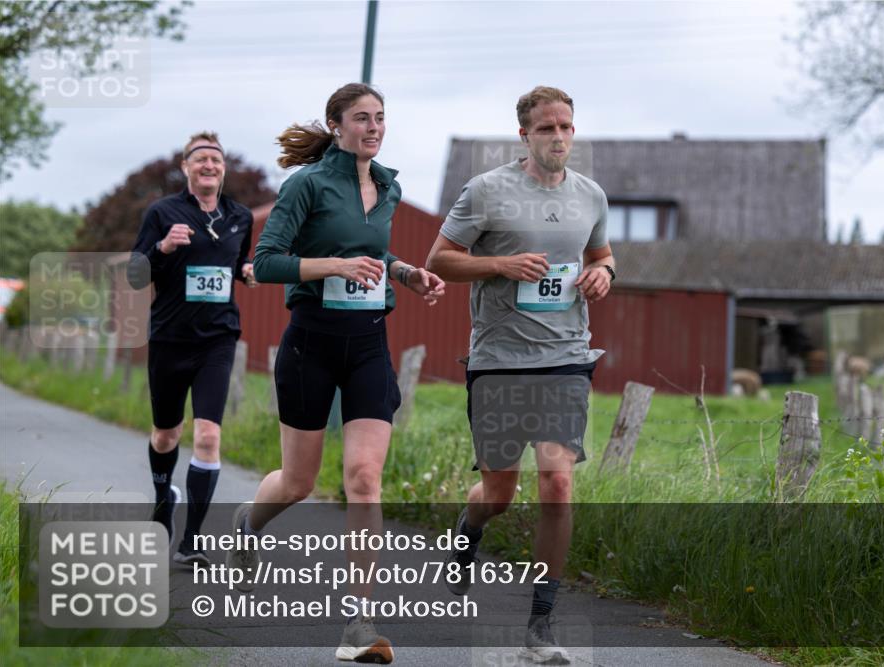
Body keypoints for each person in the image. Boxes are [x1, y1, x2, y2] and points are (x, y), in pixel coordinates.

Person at [227, 83, 444, 665]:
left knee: (365, 477)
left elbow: (374, 255)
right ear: (336, 124)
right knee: (298, 482)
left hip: (369, 343)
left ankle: (358, 622)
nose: (374, 128)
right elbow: (265, 263)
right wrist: (334, 266)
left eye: (380, 118)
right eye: (362, 119)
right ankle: (249, 523)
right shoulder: (307, 184)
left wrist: (406, 274)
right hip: (311, 344)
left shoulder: (389, 187)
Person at [426, 85, 616, 664]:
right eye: (546, 128)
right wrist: (500, 265)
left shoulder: (590, 196)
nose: (558, 137)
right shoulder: (487, 190)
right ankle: (469, 529)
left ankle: (541, 625)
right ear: (525, 135)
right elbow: (440, 260)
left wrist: (605, 274)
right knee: (499, 495)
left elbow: (601, 255)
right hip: (500, 361)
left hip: (566, 358)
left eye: (566, 127)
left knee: (557, 484)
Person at [128, 132, 257, 566]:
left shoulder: (239, 216)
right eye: (200, 159)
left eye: (215, 160)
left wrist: (247, 271)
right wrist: (162, 247)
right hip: (169, 337)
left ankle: (191, 540)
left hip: (217, 339)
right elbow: (135, 274)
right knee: (166, 434)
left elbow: (237, 263)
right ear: (186, 167)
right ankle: (164, 498)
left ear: (223, 169)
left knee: (207, 435)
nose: (209, 165)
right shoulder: (162, 212)